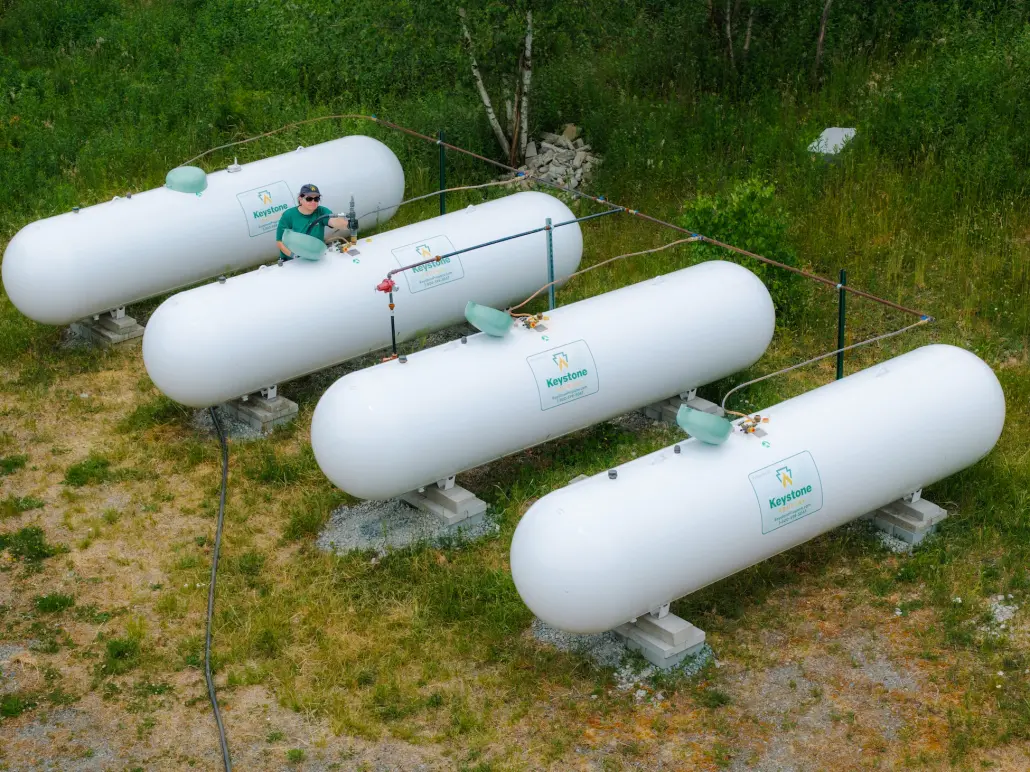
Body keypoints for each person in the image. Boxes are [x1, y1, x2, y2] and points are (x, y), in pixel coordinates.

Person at [275, 184, 350, 261]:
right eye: (309, 199)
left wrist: (348, 225)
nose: (313, 202)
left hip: (313, 256)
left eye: (316, 199)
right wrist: (295, 256)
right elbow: (279, 241)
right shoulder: (289, 215)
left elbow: (333, 221)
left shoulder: (321, 211)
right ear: (300, 199)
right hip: (292, 259)